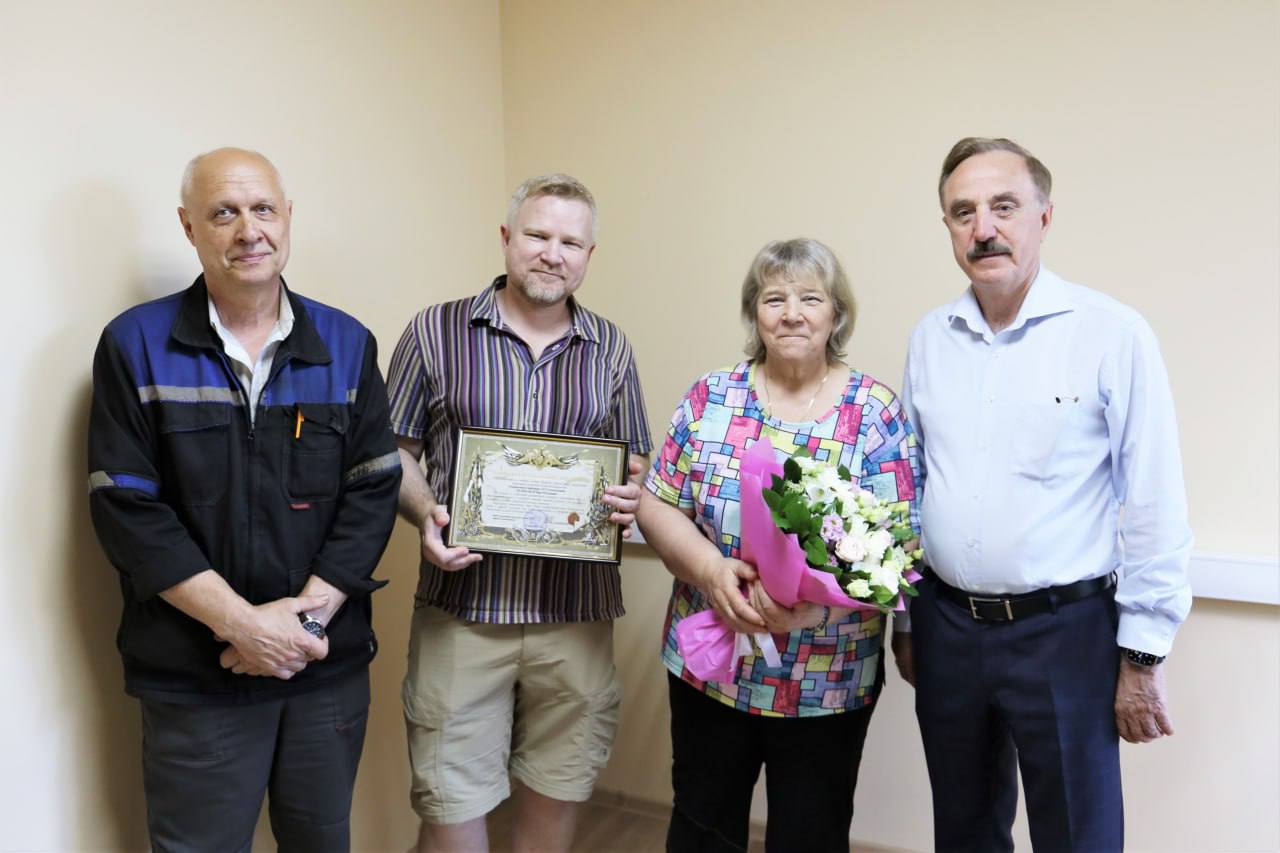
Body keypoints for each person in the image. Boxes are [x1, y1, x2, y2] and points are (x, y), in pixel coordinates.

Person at [87, 148, 402, 850]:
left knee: (321, 841)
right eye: (223, 212)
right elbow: (126, 509)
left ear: (288, 217)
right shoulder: (135, 344)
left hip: (323, 667)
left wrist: (301, 626)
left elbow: (373, 490)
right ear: (188, 226)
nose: (248, 230)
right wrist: (243, 626)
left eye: (263, 209)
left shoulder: (347, 343)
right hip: (196, 678)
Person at [895, 136, 1193, 852]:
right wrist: (905, 619)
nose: (983, 228)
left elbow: (1153, 499)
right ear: (947, 227)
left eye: (1004, 206)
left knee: (1077, 836)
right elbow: (909, 485)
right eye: (963, 212)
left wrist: (1143, 655)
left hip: (1064, 634)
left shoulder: (1112, 334)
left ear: (1044, 218)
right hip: (946, 626)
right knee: (963, 831)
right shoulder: (931, 338)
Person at [387, 173, 653, 853]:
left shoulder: (612, 347)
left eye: (570, 242)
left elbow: (635, 463)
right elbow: (394, 453)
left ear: (589, 254)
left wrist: (630, 495)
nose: (552, 253)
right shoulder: (434, 331)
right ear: (507, 237)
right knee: (450, 804)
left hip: (576, 614)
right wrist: (426, 512)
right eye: (537, 235)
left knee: (556, 797)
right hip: (463, 610)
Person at [636, 238, 921, 852]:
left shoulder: (874, 412)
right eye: (774, 299)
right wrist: (711, 570)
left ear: (836, 314)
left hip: (827, 676)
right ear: (754, 313)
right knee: (702, 828)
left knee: (810, 836)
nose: (792, 314)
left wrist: (815, 609)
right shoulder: (711, 396)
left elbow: (899, 546)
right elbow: (657, 504)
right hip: (712, 667)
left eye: (810, 299)